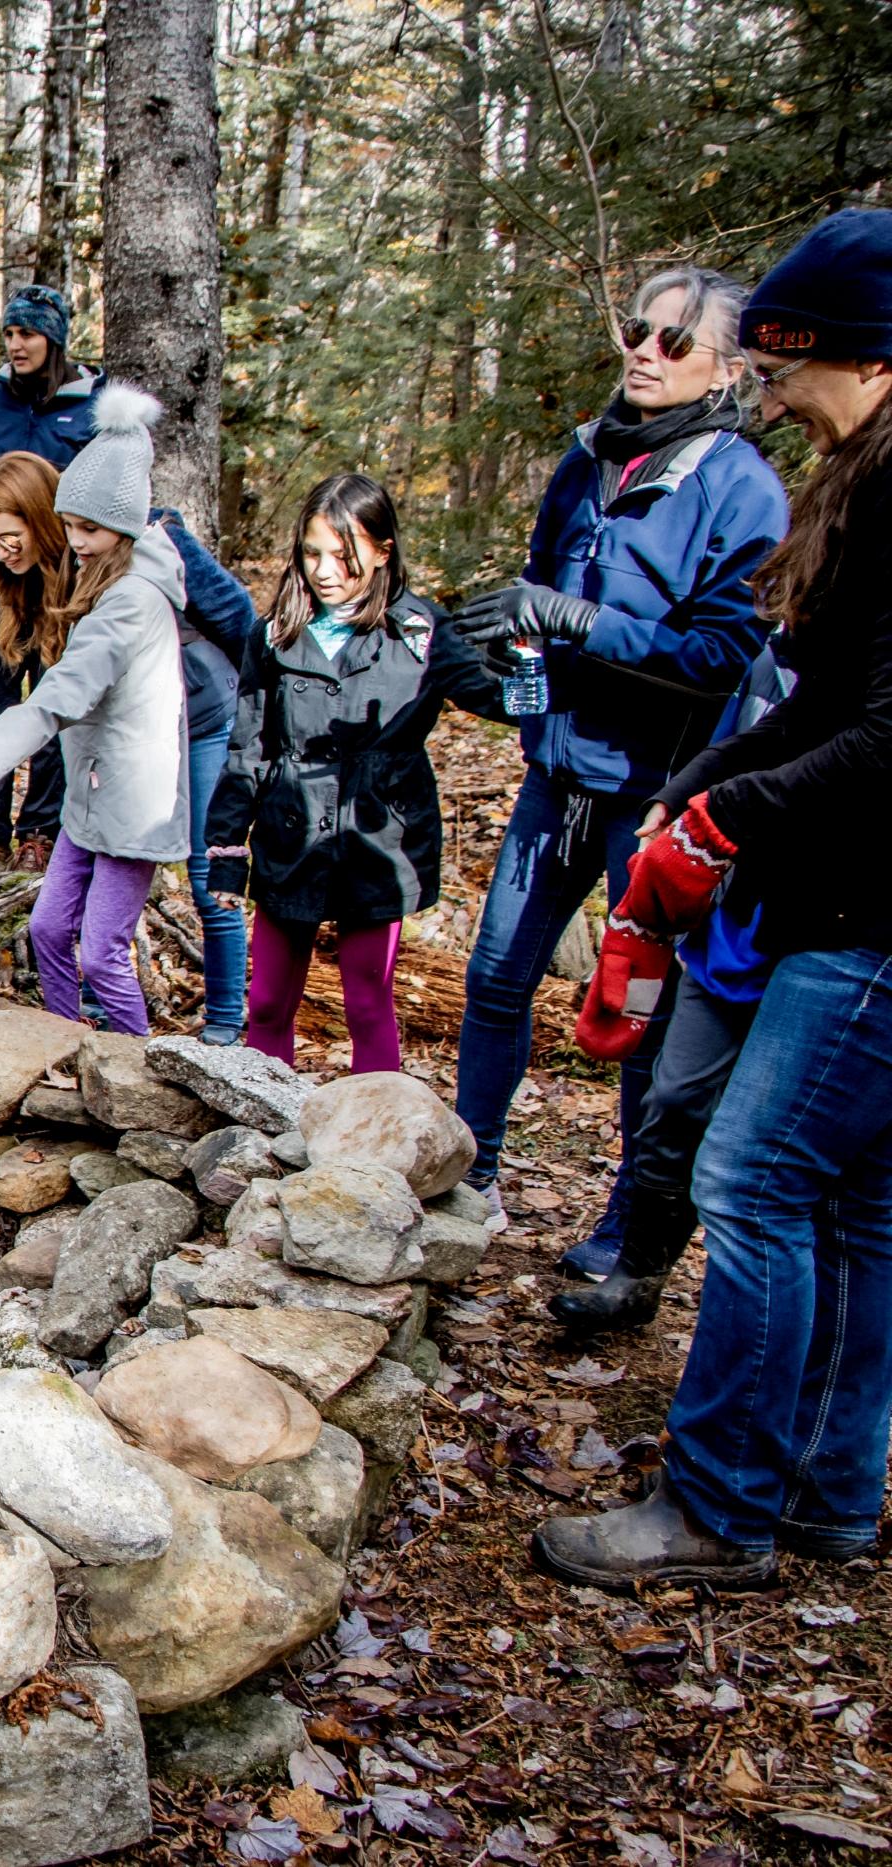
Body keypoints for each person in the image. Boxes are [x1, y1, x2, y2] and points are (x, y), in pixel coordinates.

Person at [533, 209, 892, 1589]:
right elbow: (825, 700)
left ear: (863, 356)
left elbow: (887, 734)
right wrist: (705, 781)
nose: (773, 394)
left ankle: (721, 1503)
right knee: (854, 1204)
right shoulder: (862, 475)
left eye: (786, 368)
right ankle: (827, 1489)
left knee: (750, 1179)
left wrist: (727, 816)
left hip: (867, 923)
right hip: (840, 901)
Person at [446, 267, 788, 1256]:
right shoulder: (586, 457)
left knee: (644, 1014)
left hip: (657, 798)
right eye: (639, 329)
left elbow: (721, 654)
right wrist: (510, 657)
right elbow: (536, 597)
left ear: (727, 370)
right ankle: (472, 1178)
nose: (644, 350)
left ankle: (632, 1230)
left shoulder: (740, 488)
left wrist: (578, 620)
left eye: (675, 341)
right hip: (557, 779)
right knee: (495, 980)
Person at [205, 474, 505, 1073]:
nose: (324, 571)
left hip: (378, 842)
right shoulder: (276, 632)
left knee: (367, 1001)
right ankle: (265, 1113)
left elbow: (498, 698)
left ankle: (378, 1125)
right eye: (311, 553)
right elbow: (249, 747)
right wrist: (227, 850)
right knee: (267, 1002)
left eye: (343, 556)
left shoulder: (420, 633)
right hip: (290, 837)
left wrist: (526, 655)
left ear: (383, 551)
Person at [0, 448, 258, 1039]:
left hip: (200, 720)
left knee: (207, 871)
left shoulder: (151, 544)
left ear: (41, 516)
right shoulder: (54, 564)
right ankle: (86, 1012)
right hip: (113, 742)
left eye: (9, 537)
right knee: (70, 905)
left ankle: (225, 1022)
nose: (0, 551)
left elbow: (240, 621)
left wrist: (248, 712)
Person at [550, 636, 794, 1338]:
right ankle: (637, 1275)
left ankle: (759, 1323)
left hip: (820, 937)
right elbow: (743, 741)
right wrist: (675, 797)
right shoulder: (776, 655)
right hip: (730, 915)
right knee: (675, 1097)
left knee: (763, 1151)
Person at [0, 386, 186, 1034]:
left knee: (102, 954)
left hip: (133, 805)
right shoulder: (91, 581)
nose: (78, 541)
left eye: (90, 529)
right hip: (89, 798)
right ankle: (64, 1044)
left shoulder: (130, 602)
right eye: (70, 526)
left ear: (126, 526)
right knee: (47, 928)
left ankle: (134, 1064)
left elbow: (59, 695)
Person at [0, 285, 104, 874]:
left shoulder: (92, 405)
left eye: (27, 333)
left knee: (56, 703)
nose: (15, 345)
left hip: (61, 585)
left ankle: (39, 832)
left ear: (53, 338)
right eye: (8, 334)